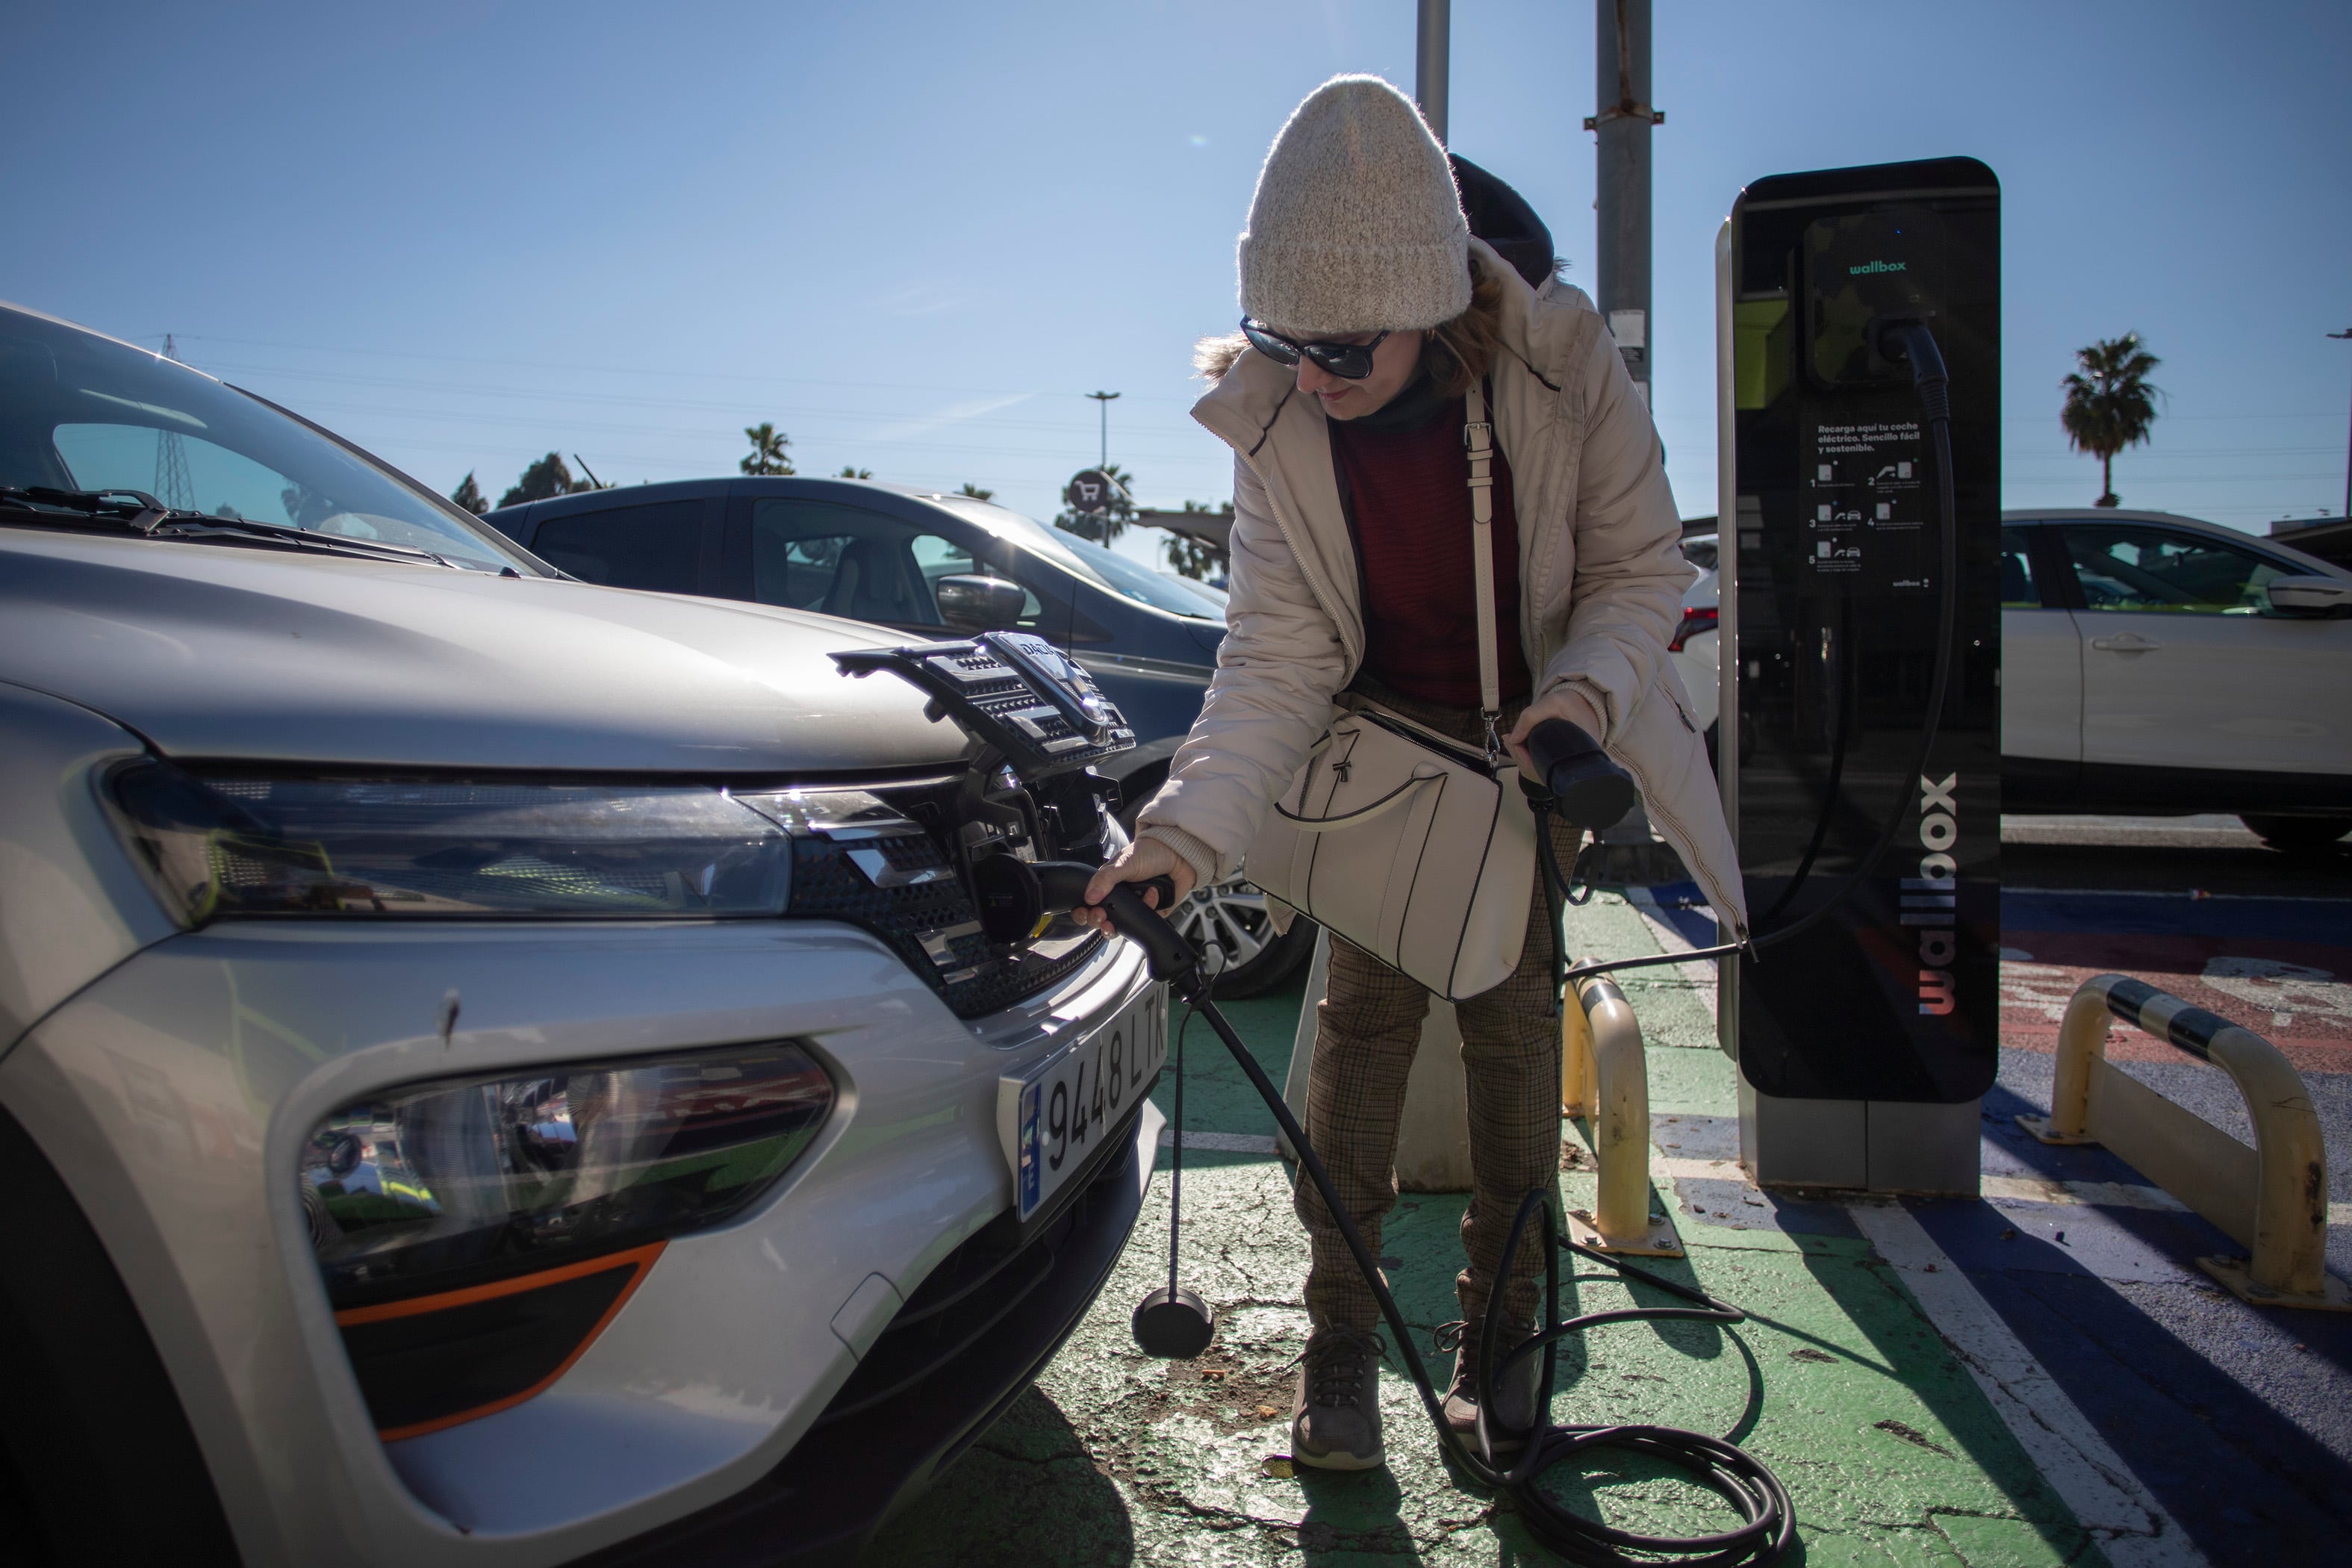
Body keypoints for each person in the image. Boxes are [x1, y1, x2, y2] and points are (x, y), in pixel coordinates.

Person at [1079, 75, 1746, 1472]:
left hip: (1526, 758)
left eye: (1340, 350)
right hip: (1376, 763)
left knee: (1513, 1064)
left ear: (1429, 311)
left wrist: (1577, 703)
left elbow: (1639, 571)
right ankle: (1337, 1363)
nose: (1310, 378)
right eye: (1283, 343)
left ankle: (1501, 1358)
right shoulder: (1273, 418)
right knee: (1355, 1050)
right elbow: (1270, 657)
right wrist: (1180, 839)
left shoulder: (1567, 369)